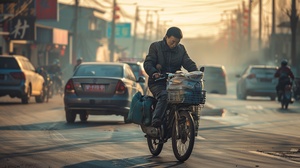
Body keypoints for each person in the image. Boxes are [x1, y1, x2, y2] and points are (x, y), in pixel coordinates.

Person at [143, 27, 198, 127]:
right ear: (166, 37)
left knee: (186, 98)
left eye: (177, 42)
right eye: (172, 41)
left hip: (175, 83)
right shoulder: (156, 47)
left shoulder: (181, 49)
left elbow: (188, 62)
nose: (175, 45)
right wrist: (154, 72)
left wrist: (196, 72)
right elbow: (148, 63)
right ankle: (156, 121)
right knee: (164, 96)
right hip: (157, 82)